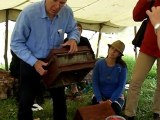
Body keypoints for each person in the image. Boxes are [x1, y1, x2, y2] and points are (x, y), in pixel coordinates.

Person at [10, 0, 80, 120]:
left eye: (62, 2)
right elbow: (16, 43)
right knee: (26, 101)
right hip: (30, 60)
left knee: (60, 99)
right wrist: (34, 62)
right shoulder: (29, 13)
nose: (57, 6)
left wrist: (73, 39)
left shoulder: (66, 11)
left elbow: (74, 29)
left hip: (54, 61)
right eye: (54, 0)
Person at [124, 0, 160, 120]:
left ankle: (157, 113)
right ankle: (129, 114)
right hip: (148, 46)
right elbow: (136, 16)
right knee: (135, 81)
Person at [91, 40, 127, 115]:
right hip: (101, 95)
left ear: (119, 54)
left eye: (116, 51)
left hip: (116, 97)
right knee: (97, 110)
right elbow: (95, 83)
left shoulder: (122, 67)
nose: (113, 51)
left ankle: (120, 104)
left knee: (114, 111)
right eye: (112, 48)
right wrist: (100, 100)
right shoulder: (99, 64)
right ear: (109, 49)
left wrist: (110, 101)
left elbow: (121, 86)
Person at [64, 22, 95, 99]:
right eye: (76, 29)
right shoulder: (66, 40)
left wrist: (92, 61)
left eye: (79, 29)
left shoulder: (85, 40)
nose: (77, 31)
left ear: (82, 31)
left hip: (82, 63)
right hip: (70, 64)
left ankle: (78, 86)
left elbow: (91, 52)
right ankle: (74, 88)